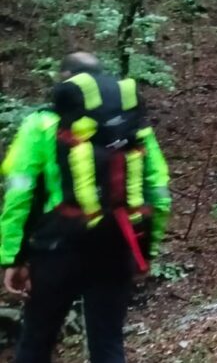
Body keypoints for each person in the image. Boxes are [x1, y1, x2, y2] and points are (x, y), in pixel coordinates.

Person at [1, 52, 172, 363]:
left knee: (35, 342)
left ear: (65, 77)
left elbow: (20, 194)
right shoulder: (134, 126)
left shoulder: (41, 123)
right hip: (117, 246)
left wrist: (13, 257)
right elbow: (158, 193)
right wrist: (145, 252)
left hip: (55, 249)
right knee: (107, 343)